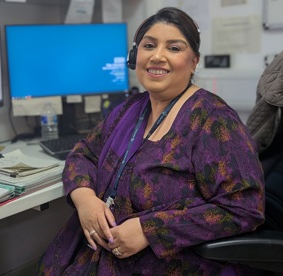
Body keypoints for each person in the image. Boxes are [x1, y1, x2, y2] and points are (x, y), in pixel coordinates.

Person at [37, 7, 265, 275]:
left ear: (193, 61)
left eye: (174, 48)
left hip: (172, 263)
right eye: (149, 45)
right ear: (136, 56)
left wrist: (150, 230)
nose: (158, 56)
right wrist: (84, 198)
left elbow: (244, 207)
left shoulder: (213, 120)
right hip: (102, 256)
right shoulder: (129, 109)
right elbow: (83, 153)